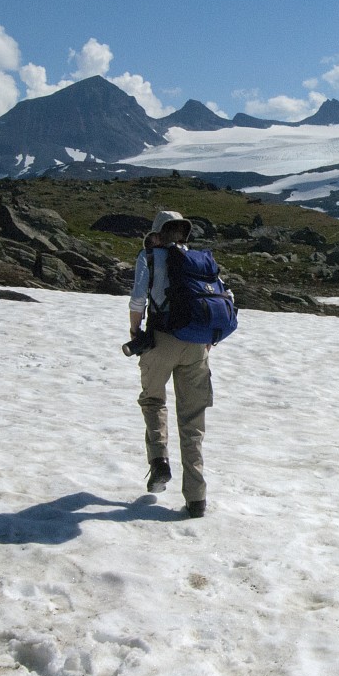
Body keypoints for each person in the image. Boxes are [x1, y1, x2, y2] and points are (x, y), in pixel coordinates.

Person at [128, 210, 213, 518]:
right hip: (196, 344)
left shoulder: (149, 257)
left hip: (161, 340)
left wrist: (135, 331)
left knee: (153, 400)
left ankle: (159, 461)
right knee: (192, 422)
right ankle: (196, 499)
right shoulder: (197, 260)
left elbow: (138, 299)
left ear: (156, 233)